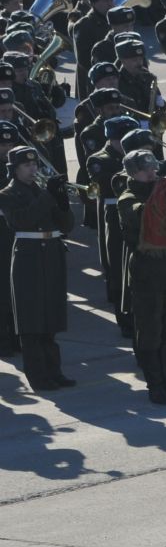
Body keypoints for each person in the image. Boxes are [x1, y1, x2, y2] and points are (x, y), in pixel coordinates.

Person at [117, 150, 166, 405]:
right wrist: (164, 187)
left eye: (154, 168)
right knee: (150, 332)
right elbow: (146, 214)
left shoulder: (164, 190)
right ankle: (155, 385)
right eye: (145, 169)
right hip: (148, 275)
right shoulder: (127, 198)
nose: (152, 173)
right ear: (133, 173)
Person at [1, 145, 76, 392]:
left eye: (34, 165)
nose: (33, 169)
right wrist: (47, 196)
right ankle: (39, 377)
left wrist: (63, 203)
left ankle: (55, 371)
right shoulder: (7, 194)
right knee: (32, 321)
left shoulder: (43, 191)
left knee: (50, 318)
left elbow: (66, 226)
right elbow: (22, 220)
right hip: (28, 257)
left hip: (51, 254)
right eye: (26, 165)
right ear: (14, 169)